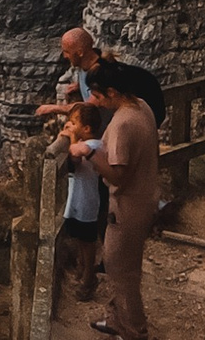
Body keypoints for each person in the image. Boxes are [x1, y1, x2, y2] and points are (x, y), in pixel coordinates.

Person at [69, 60, 161, 340]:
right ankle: (114, 318)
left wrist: (87, 151)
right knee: (119, 262)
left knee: (121, 270)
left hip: (128, 205)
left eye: (97, 95)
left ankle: (134, 331)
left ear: (111, 92)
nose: (94, 102)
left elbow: (118, 175)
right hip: (145, 197)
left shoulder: (123, 123)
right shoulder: (141, 105)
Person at [50, 103, 108, 303]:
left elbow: (74, 157)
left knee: (88, 240)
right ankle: (83, 267)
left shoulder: (93, 146)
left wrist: (70, 137)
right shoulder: (89, 143)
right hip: (78, 199)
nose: (69, 125)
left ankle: (89, 277)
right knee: (81, 238)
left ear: (87, 129)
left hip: (87, 201)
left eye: (74, 123)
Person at [35, 26, 105, 120]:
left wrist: (53, 108)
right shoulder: (83, 64)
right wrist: (80, 85)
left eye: (67, 52)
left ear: (80, 52)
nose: (64, 56)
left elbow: (88, 107)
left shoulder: (102, 73)